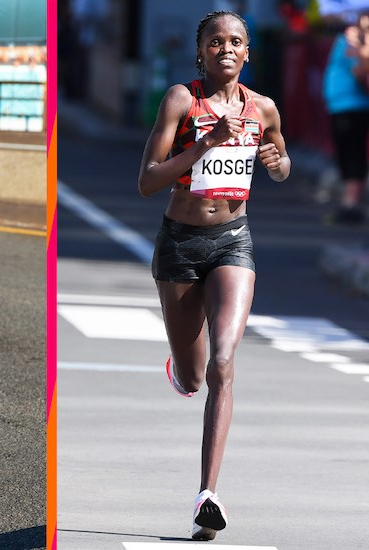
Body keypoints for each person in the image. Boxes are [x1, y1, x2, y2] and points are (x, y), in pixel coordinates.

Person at [136, 10, 289, 541]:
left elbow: (282, 161)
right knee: (196, 374)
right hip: (179, 245)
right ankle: (180, 369)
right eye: (216, 41)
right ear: (201, 51)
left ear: (248, 53)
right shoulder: (182, 100)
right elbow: (146, 181)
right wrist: (204, 143)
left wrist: (275, 160)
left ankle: (208, 494)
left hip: (233, 240)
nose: (226, 48)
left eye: (236, 42)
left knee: (225, 361)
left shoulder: (263, 107)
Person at [322, 13, 369, 224]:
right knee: (346, 154)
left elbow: (361, 71)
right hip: (342, 106)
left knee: (352, 154)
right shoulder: (348, 39)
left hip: (353, 106)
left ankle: (352, 205)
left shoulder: (356, 42)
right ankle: (348, 203)